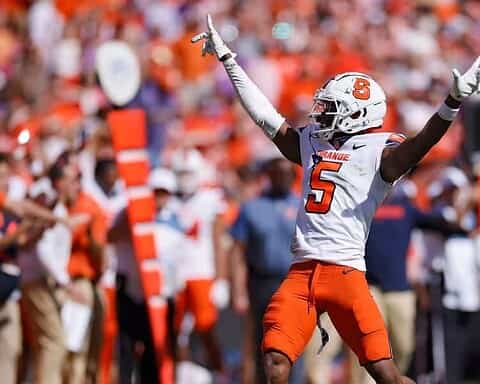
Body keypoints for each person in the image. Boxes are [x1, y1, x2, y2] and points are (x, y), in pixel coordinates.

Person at [192, 15, 480, 384]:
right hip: (301, 272)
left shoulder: (381, 152)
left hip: (345, 274)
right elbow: (265, 117)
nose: (321, 112)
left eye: (330, 107)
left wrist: (452, 102)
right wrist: (229, 61)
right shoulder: (314, 141)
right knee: (276, 361)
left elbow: (421, 144)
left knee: (386, 375)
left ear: (356, 114)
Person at [230, 157, 304, 384]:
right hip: (262, 281)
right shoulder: (252, 208)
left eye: (286, 174)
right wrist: (238, 290)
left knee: (294, 340)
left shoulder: (304, 205)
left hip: (294, 281)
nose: (281, 178)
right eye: (276, 174)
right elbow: (238, 252)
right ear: (268, 176)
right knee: (263, 343)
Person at [109, 167, 185, 384]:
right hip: (131, 290)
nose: (159, 197)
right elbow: (111, 237)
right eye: (155, 192)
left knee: (155, 352)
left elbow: (179, 261)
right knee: (127, 349)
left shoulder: (176, 221)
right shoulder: (127, 212)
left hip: (161, 295)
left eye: (163, 192)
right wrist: (131, 220)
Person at [171, 148, 229, 375]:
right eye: (181, 174)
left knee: (206, 328)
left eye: (189, 174)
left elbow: (219, 241)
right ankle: (182, 375)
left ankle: (219, 373)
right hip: (175, 274)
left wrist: (221, 278)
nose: (185, 179)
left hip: (202, 271)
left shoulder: (210, 199)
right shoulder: (167, 198)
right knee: (176, 331)